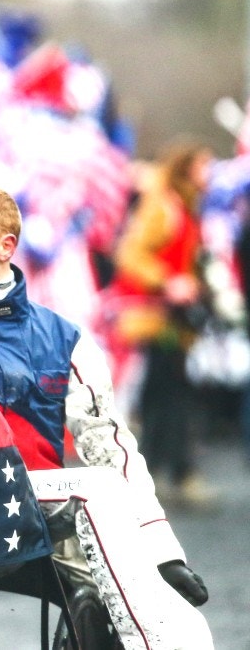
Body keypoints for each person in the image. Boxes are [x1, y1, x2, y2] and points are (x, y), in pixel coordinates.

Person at [0, 185, 211, 649]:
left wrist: (162, 550)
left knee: (144, 594)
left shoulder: (64, 338)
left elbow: (112, 447)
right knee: (96, 490)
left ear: (5, 247)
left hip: (36, 515)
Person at [110, 137, 217, 508]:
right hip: (157, 319)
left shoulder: (185, 206)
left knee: (161, 397)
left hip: (172, 322)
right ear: (187, 167)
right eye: (203, 165)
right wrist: (167, 281)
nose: (209, 173)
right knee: (168, 397)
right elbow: (130, 252)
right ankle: (172, 475)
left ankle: (153, 477)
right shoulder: (164, 207)